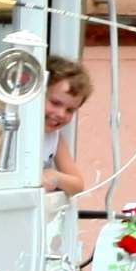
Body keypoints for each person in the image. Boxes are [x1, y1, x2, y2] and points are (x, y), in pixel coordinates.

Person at [43, 54, 92, 196]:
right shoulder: (11, 131)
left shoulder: (54, 138)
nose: (61, 114)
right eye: (55, 103)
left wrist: (55, 176)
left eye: (70, 110)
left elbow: (78, 185)